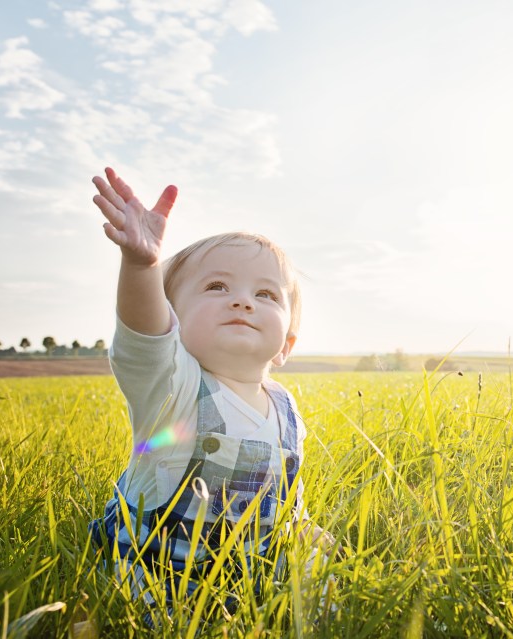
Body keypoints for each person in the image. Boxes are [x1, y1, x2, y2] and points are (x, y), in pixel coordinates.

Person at [88, 167, 333, 624]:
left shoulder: (285, 409)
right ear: (173, 319)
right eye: (217, 287)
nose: (243, 301)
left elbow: (281, 495)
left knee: (319, 587)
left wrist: (299, 527)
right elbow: (144, 336)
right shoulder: (174, 388)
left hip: (245, 573)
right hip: (161, 581)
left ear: (286, 346)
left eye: (266, 294)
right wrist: (141, 267)